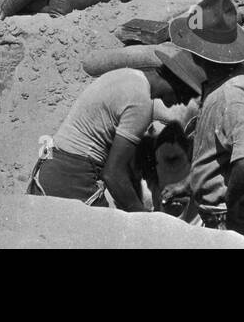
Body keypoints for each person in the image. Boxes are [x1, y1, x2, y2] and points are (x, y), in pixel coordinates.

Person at [166, 0, 244, 248]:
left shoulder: (231, 96)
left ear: (200, 54)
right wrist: (190, 184)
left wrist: (233, 206)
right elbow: (222, 151)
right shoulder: (240, 74)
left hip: (235, 220)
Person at [28, 46, 204, 211]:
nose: (183, 102)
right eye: (184, 94)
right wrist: (142, 218)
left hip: (51, 166)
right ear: (174, 82)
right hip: (72, 177)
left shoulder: (128, 76)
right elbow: (113, 174)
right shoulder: (141, 102)